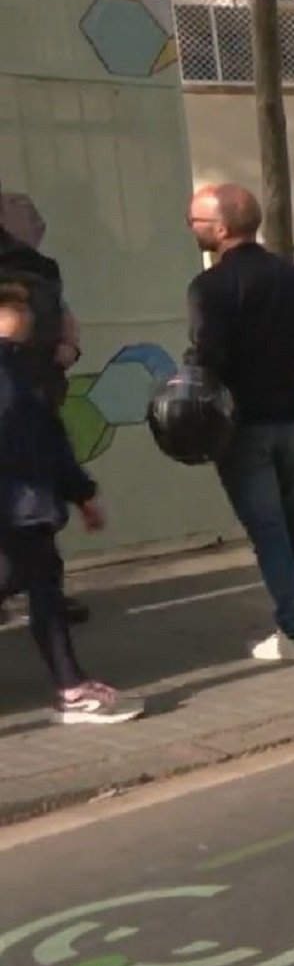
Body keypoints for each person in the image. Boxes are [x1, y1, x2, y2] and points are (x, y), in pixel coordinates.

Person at [184, 183, 294, 662]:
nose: (192, 228)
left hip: (243, 427)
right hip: (293, 420)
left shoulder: (210, 288)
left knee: (268, 530)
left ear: (223, 228)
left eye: (197, 221)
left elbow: (208, 356)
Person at [0, 282, 136, 723]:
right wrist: (80, 492)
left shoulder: (18, 366)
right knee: (42, 587)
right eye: (16, 307)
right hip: (20, 504)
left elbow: (47, 438)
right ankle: (71, 688)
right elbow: (37, 440)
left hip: (24, 503)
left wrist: (81, 493)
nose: (29, 317)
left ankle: (71, 685)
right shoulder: (10, 371)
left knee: (34, 582)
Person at [0, 184, 88, 627]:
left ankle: (45, 588)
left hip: (36, 391)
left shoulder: (41, 267)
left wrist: (70, 345)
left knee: (39, 500)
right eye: (25, 215)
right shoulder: (30, 266)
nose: (35, 223)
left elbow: (65, 314)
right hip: (21, 393)